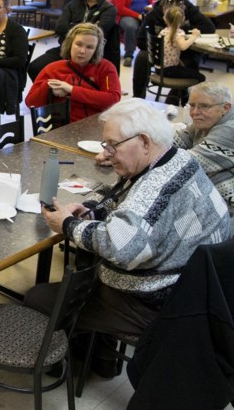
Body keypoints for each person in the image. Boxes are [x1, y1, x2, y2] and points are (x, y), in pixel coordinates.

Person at [27, 99, 230, 376]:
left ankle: (60, 366)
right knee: (84, 271)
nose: (107, 154)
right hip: (197, 290)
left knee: (39, 298)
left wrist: (69, 225)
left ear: (144, 141)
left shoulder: (156, 186)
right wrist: (93, 209)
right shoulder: (176, 159)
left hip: (160, 301)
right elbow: (131, 202)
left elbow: (123, 247)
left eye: (113, 145)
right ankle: (100, 360)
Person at [28, 0, 116, 81]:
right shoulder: (73, 5)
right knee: (35, 67)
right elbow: (60, 28)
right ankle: (50, 94)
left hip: (89, 55)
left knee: (72, 76)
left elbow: (97, 34)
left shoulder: (109, 9)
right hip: (66, 49)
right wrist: (86, 28)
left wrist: (73, 26)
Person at [25, 23, 120, 123]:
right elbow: (30, 103)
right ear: (70, 43)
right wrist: (48, 87)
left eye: (90, 47)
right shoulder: (52, 69)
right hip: (60, 128)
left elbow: (113, 99)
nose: (82, 51)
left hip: (96, 126)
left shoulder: (106, 68)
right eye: (78, 44)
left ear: (96, 50)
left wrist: (71, 90)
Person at [132, 0, 214, 100]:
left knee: (191, 61)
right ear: (163, 11)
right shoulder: (154, 13)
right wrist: (161, 48)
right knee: (141, 58)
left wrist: (179, 30)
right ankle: (138, 97)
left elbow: (209, 27)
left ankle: (178, 96)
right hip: (158, 51)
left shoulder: (189, 9)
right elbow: (141, 40)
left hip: (184, 50)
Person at [172, 81, 234, 215]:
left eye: (204, 106)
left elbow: (188, 164)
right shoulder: (206, 121)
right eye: (192, 105)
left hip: (227, 212)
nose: (194, 112)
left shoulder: (230, 130)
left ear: (226, 108)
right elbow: (172, 142)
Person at [108, 0, 155, 67]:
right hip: (127, 16)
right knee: (130, 26)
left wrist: (149, 12)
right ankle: (129, 55)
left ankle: (152, 56)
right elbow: (120, 8)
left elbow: (153, 2)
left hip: (145, 15)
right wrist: (137, 16)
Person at [156, 5, 205, 102]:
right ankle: (186, 101)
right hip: (169, 69)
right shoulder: (179, 33)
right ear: (183, 19)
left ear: (165, 18)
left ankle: (175, 98)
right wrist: (194, 36)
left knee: (187, 69)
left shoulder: (163, 31)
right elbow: (183, 46)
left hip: (159, 68)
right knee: (201, 77)